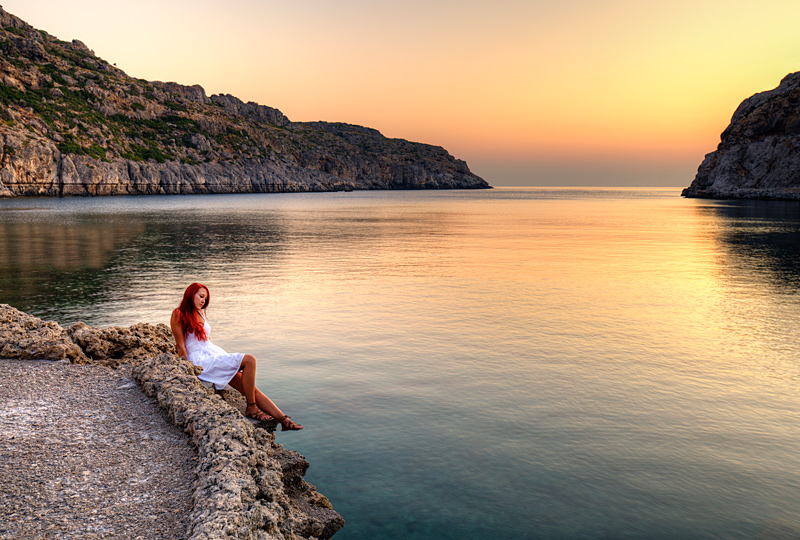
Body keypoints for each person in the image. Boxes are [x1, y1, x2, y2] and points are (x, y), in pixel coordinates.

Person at [170, 282, 303, 431]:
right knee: (249, 360)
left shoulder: (200, 312)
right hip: (201, 360)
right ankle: (251, 407)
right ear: (190, 294)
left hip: (213, 353)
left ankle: (284, 420)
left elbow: (205, 340)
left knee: (251, 389)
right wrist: (186, 371)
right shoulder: (179, 313)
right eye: (201, 296)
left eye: (205, 299)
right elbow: (181, 346)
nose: (203, 301)